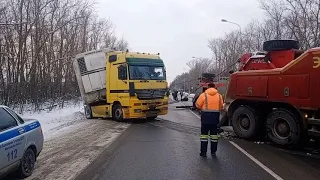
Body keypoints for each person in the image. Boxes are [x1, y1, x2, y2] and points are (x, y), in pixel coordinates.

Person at [195, 83, 223, 157]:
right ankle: (213, 152)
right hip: (215, 119)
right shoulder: (219, 96)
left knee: (204, 135)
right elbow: (221, 107)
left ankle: (203, 153)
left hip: (205, 118)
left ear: (208, 87)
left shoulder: (203, 95)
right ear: (215, 87)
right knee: (214, 136)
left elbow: (197, 105)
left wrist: (203, 108)